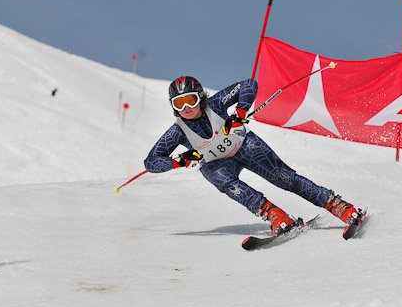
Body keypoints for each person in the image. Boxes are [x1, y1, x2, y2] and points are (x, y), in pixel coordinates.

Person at [144, 76, 361, 235]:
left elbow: (248, 84)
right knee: (219, 178)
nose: (186, 108)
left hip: (245, 146)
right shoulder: (178, 131)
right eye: (179, 104)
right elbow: (151, 161)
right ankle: (275, 215)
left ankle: (336, 205)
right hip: (218, 164)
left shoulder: (217, 104)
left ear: (200, 98)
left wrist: (239, 113)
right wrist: (178, 161)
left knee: (283, 178)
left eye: (190, 100)